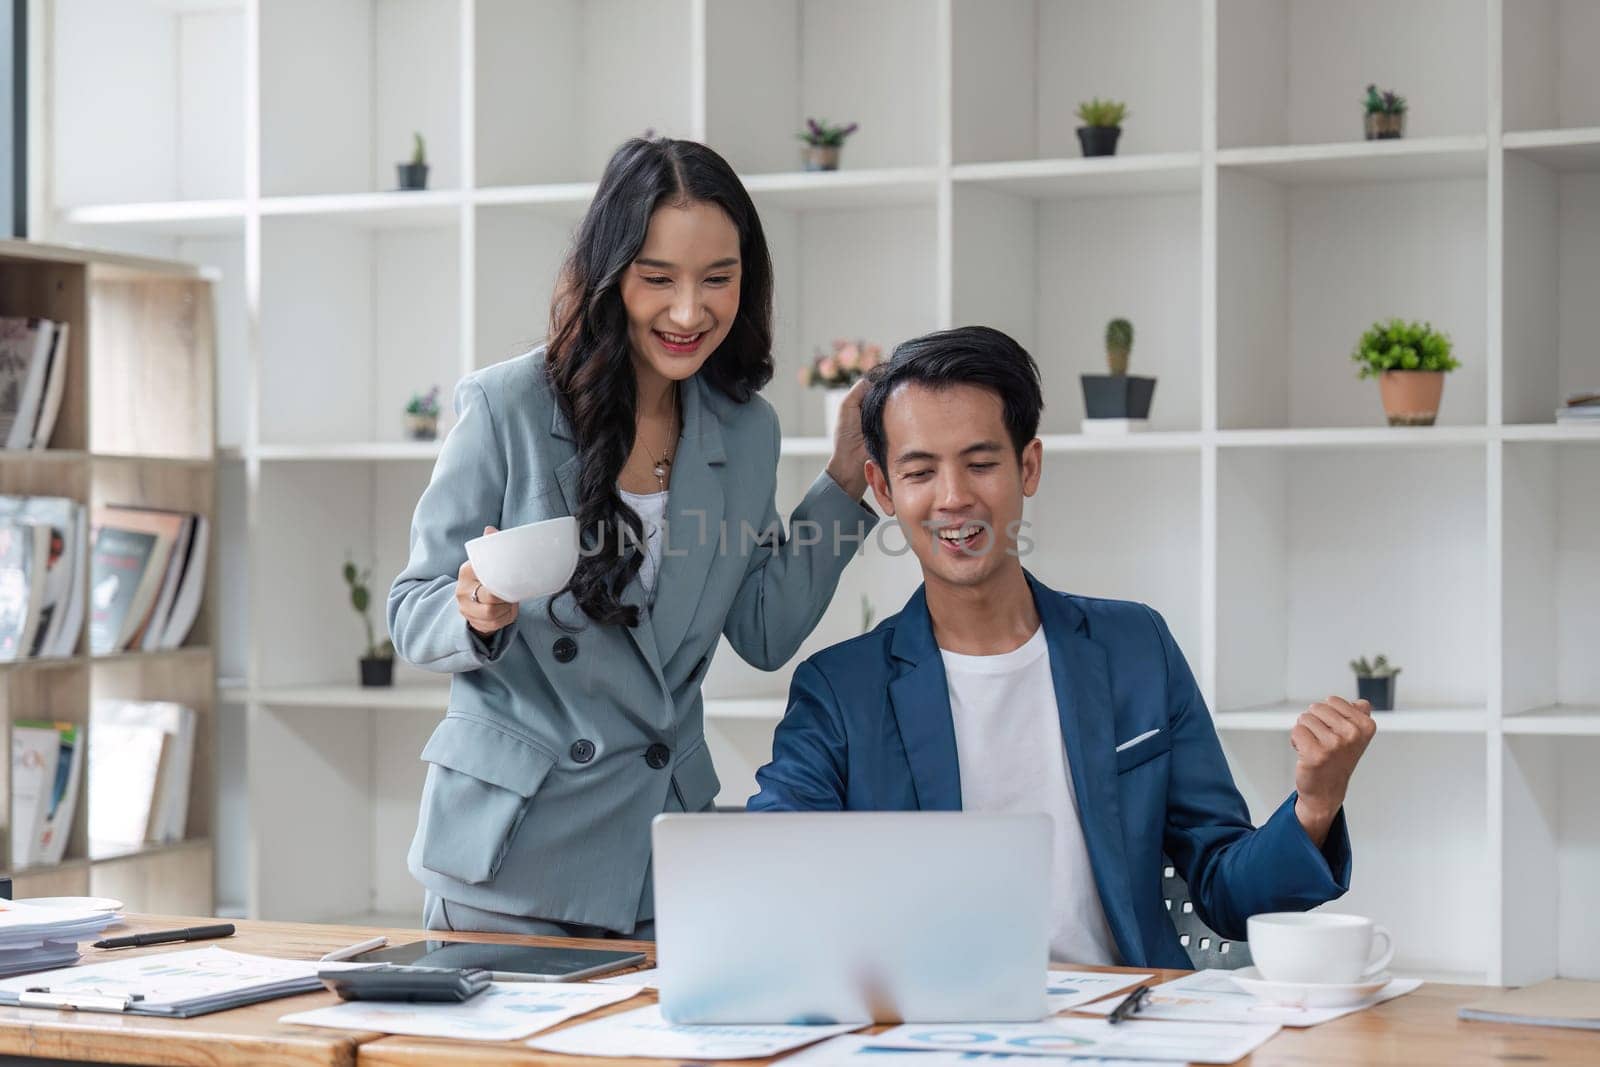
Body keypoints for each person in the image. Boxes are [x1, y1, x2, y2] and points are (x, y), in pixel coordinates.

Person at [747, 326, 1376, 969]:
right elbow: (771, 873)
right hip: (928, 1032)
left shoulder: (1136, 648)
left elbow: (1225, 891)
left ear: (1029, 467)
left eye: (981, 463)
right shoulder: (839, 689)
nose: (954, 497)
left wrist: (1315, 804)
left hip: (1120, 1025)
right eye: (920, 472)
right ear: (883, 490)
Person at [389, 138, 877, 937]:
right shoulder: (508, 404)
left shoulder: (746, 430)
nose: (690, 312)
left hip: (659, 856)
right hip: (510, 856)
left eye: (718, 278)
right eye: (658, 279)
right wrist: (472, 611)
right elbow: (412, 607)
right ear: (611, 276)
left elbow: (762, 629)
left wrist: (847, 482)